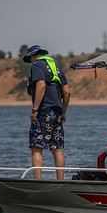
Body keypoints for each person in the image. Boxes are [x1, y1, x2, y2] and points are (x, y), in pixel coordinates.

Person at [24, 45, 71, 180]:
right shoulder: (55, 67)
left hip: (43, 112)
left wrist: (35, 109)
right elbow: (67, 92)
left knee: (36, 147)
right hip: (57, 113)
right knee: (57, 147)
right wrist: (64, 112)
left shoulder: (37, 65)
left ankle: (38, 181)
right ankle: (61, 181)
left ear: (33, 56)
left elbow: (41, 85)